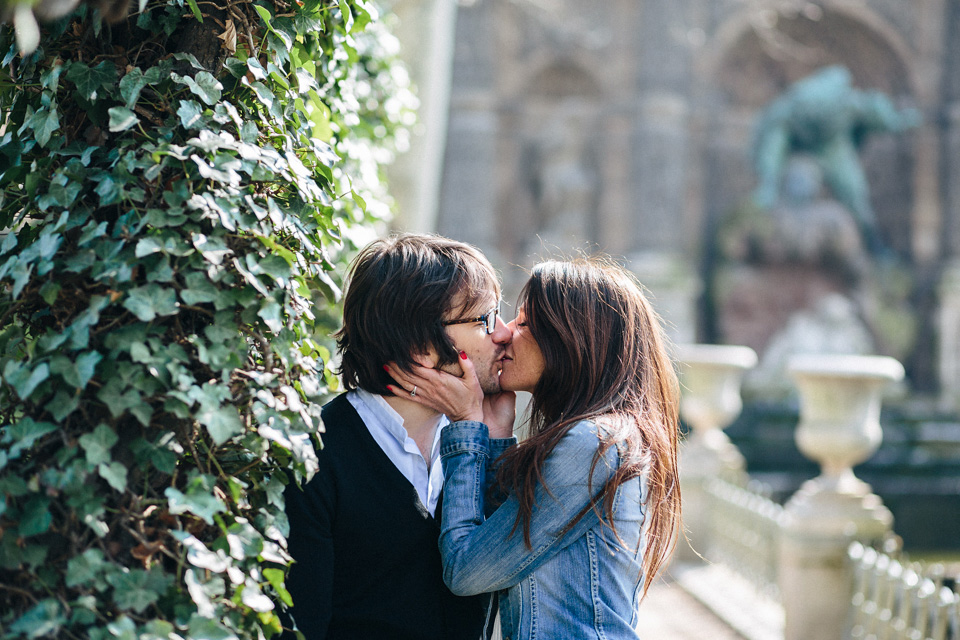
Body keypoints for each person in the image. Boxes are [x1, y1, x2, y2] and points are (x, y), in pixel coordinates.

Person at [385, 258, 683, 639]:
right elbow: (495, 553)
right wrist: (494, 436)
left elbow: (466, 570)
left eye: (524, 323)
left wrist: (465, 428)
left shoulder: (592, 444)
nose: (505, 332)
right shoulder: (599, 438)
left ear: (573, 338)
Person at [281, 233, 512, 640]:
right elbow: (301, 627)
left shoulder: (475, 439)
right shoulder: (316, 452)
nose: (503, 333)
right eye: (484, 320)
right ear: (418, 343)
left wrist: (489, 440)